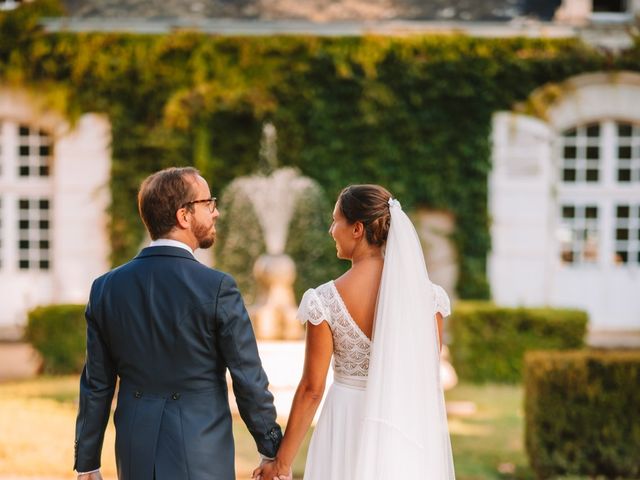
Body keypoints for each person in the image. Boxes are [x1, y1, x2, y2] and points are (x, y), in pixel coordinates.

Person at [74, 167, 282, 480]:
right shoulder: (217, 287)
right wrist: (271, 449)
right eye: (208, 203)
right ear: (184, 215)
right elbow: (248, 378)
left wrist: (88, 463)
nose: (217, 212)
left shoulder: (106, 288)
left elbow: (97, 384)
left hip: (134, 453)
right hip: (201, 453)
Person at [254, 184, 455, 480]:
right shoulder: (430, 300)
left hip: (346, 421)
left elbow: (312, 389)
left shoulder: (325, 300)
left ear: (357, 229)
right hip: (403, 427)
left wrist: (282, 462)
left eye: (336, 220)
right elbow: (426, 381)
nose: (331, 230)